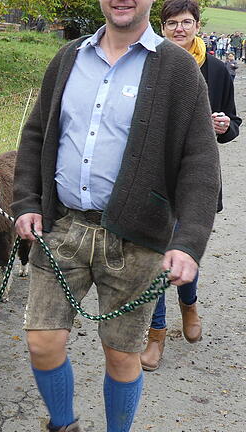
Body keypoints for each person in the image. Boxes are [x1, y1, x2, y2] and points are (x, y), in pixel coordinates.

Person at [11, 0, 221, 429]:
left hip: (136, 238)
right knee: (42, 343)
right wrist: (28, 202)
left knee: (122, 356)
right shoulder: (69, 57)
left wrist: (189, 242)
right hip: (63, 226)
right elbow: (36, 134)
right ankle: (63, 424)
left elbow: (200, 161)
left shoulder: (178, 69)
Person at [141, 0, 242, 372]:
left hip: (195, 180)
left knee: (182, 253)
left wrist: (222, 126)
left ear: (198, 25)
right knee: (153, 258)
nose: (179, 29)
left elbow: (232, 124)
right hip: (151, 177)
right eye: (171, 23)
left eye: (186, 22)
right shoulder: (147, 63)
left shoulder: (215, 70)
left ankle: (190, 303)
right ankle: (156, 333)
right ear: (162, 27)